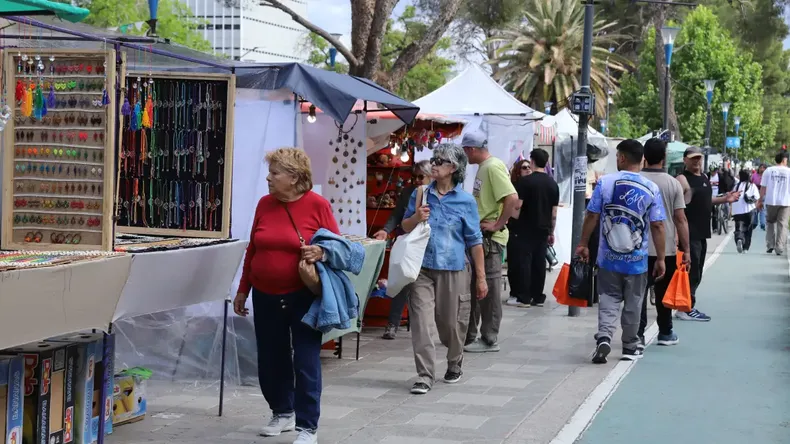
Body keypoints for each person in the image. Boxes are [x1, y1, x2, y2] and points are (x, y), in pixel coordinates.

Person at [233, 148, 340, 444]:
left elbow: (338, 248)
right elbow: (253, 248)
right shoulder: (264, 204)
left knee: (305, 361)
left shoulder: (317, 205)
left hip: (303, 295)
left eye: (275, 173)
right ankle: (282, 411)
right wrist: (244, 288)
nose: (268, 178)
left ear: (293, 177)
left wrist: (321, 250)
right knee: (270, 358)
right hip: (265, 294)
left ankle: (308, 427)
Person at [401, 143, 488, 394]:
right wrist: (417, 217)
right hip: (422, 269)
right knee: (422, 323)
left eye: (440, 161)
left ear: (454, 167)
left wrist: (481, 278)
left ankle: (454, 360)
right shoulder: (420, 194)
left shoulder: (466, 201)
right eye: (434, 159)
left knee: (451, 324)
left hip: (454, 268)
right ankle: (425, 375)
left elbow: (474, 240)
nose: (434, 164)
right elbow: (405, 227)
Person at [577, 139, 667, 363]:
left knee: (608, 298)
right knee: (634, 302)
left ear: (623, 158)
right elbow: (658, 225)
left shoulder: (605, 183)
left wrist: (583, 243)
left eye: (617, 156)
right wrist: (662, 258)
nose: (616, 160)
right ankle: (629, 345)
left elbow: (592, 215)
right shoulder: (651, 188)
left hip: (608, 259)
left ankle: (605, 336)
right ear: (643, 160)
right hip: (637, 261)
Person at [462, 131, 518, 353]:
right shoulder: (486, 168)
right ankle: (475, 334)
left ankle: (489, 337)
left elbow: (511, 198)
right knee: (479, 285)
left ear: (471, 149)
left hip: (491, 239)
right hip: (483, 236)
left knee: (490, 288)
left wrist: (497, 225)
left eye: (466, 151)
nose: (466, 155)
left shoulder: (492, 167)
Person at [675, 147, 739, 322]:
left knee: (697, 272)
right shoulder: (682, 179)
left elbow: (706, 200)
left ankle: (687, 305)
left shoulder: (703, 178)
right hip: (689, 233)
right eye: (693, 158)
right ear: (685, 160)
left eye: (699, 158)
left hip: (702, 232)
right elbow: (675, 207)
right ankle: (685, 307)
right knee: (691, 271)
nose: (696, 162)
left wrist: (726, 199)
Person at [637, 138, 690, 348]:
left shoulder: (636, 179)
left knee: (637, 294)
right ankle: (665, 332)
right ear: (665, 157)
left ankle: (637, 334)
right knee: (663, 293)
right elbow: (680, 218)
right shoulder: (673, 183)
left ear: (644, 157)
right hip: (665, 247)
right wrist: (685, 249)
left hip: (637, 247)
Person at [373, 160, 432, 340]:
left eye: (420, 177)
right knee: (403, 281)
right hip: (410, 243)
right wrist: (385, 230)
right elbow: (397, 214)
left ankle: (427, 326)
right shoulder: (408, 192)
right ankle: (392, 324)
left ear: (431, 176)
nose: (416, 180)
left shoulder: (437, 193)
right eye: (414, 177)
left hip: (430, 246)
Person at [507, 148, 559, 308]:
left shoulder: (525, 182)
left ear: (533, 161)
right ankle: (538, 296)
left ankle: (524, 297)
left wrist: (509, 220)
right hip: (543, 228)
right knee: (539, 262)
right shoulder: (553, 184)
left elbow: (518, 206)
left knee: (524, 261)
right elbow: (554, 212)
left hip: (524, 227)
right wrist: (551, 231)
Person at [758, 151, 790, 255]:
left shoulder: (768, 171)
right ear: (784, 160)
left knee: (770, 222)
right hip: (785, 202)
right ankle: (779, 247)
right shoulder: (789, 172)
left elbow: (763, 187)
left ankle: (770, 245)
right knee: (782, 224)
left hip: (771, 201)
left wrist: (760, 200)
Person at [732, 169, 760, 253]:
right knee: (748, 229)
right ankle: (745, 248)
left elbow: (732, 197)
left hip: (737, 211)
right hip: (749, 210)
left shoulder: (736, 186)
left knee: (738, 228)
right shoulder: (752, 186)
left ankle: (739, 239)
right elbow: (756, 198)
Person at [752, 164, 767, 230]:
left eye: (763, 168)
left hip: (764, 192)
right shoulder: (754, 175)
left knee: (762, 208)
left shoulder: (766, 176)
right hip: (755, 192)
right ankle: (755, 222)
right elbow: (750, 182)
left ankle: (762, 223)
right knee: (755, 208)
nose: (762, 169)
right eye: (761, 168)